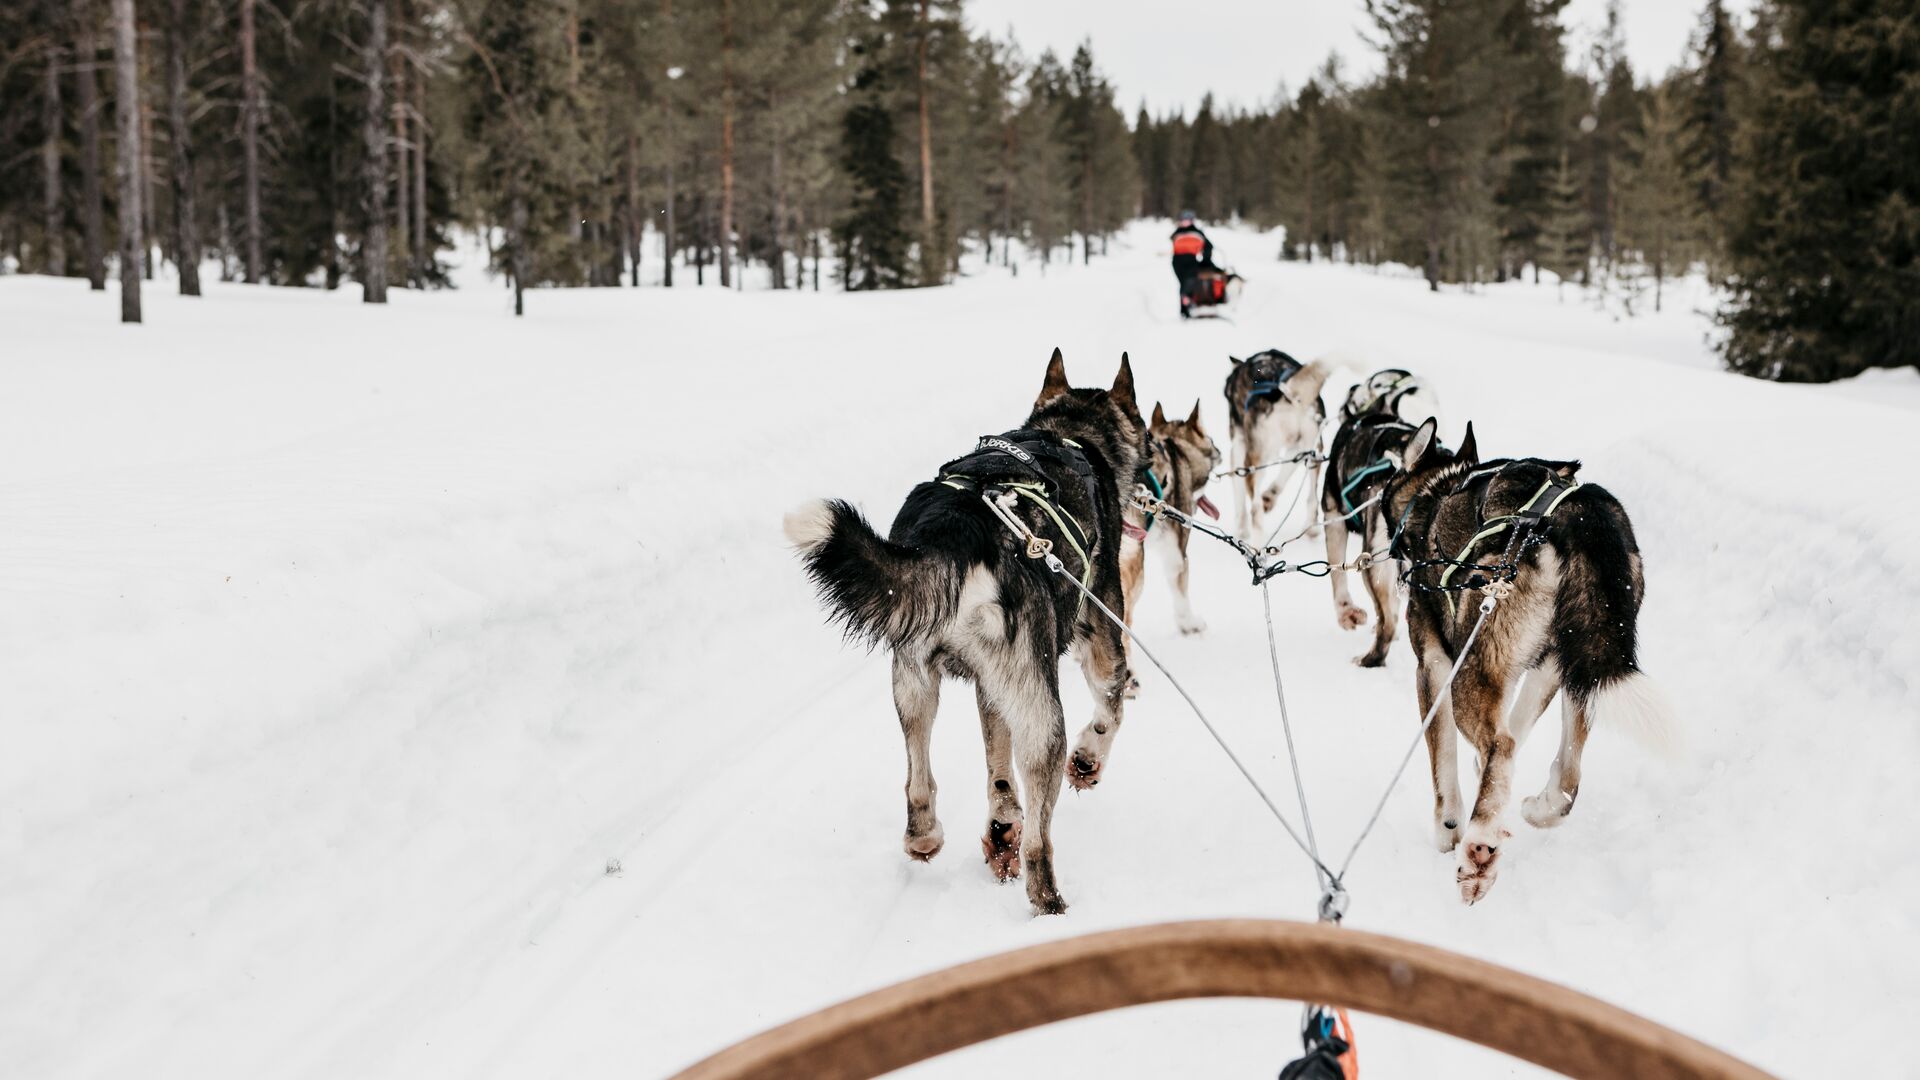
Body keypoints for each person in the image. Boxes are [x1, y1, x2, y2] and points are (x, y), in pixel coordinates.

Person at [1170, 210, 1214, 318]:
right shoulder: (1193, 232)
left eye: (1187, 220)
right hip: (1185, 260)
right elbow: (1208, 247)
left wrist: (1205, 260)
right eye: (1183, 220)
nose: (1185, 222)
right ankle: (1187, 302)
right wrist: (1206, 261)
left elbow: (1208, 247)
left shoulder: (1180, 232)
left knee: (1185, 283)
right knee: (1189, 281)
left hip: (1179, 260)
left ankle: (1184, 308)